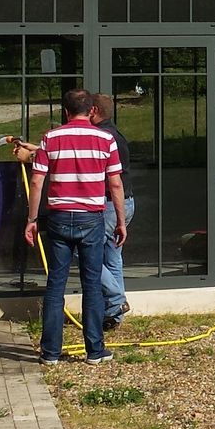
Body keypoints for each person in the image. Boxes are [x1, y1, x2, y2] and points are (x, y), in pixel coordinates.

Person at [23, 87, 124, 365]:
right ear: (91, 110)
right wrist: (120, 220)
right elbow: (115, 183)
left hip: (58, 216)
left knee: (56, 284)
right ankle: (95, 350)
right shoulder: (106, 139)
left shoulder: (50, 138)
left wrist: (32, 219)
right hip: (92, 217)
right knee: (91, 284)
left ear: (65, 111)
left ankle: (51, 353)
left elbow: (36, 181)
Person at [90, 91, 134, 329]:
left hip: (109, 203)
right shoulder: (114, 134)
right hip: (124, 202)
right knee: (113, 259)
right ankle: (114, 316)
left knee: (86, 253)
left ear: (94, 111)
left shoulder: (102, 137)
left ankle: (117, 300)